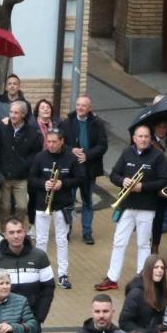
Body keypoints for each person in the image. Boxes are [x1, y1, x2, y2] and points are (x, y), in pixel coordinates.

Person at [99, 127, 167, 293]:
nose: (143, 139)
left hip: (146, 207)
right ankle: (112, 278)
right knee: (119, 241)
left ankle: (142, 277)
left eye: (146, 136)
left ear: (150, 139)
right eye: (140, 136)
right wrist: (122, 181)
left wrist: (142, 187)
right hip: (127, 205)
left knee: (143, 243)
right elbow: (114, 174)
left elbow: (164, 180)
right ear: (134, 138)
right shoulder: (127, 153)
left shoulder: (158, 156)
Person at [29, 127, 84, 288]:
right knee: (41, 240)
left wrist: (63, 183)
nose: (51, 145)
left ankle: (63, 274)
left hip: (62, 206)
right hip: (43, 205)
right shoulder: (40, 157)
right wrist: (43, 184)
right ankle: (40, 274)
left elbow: (80, 178)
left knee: (62, 240)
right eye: (49, 142)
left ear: (62, 141)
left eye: (54, 142)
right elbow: (31, 179)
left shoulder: (70, 158)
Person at [61, 95, 109, 247]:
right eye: (78, 105)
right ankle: (66, 230)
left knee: (87, 201)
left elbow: (103, 146)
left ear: (89, 108)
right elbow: (59, 143)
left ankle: (87, 232)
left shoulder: (97, 123)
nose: (80, 108)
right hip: (71, 169)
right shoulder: (67, 122)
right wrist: (71, 150)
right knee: (68, 200)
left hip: (89, 168)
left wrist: (87, 155)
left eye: (83, 105)